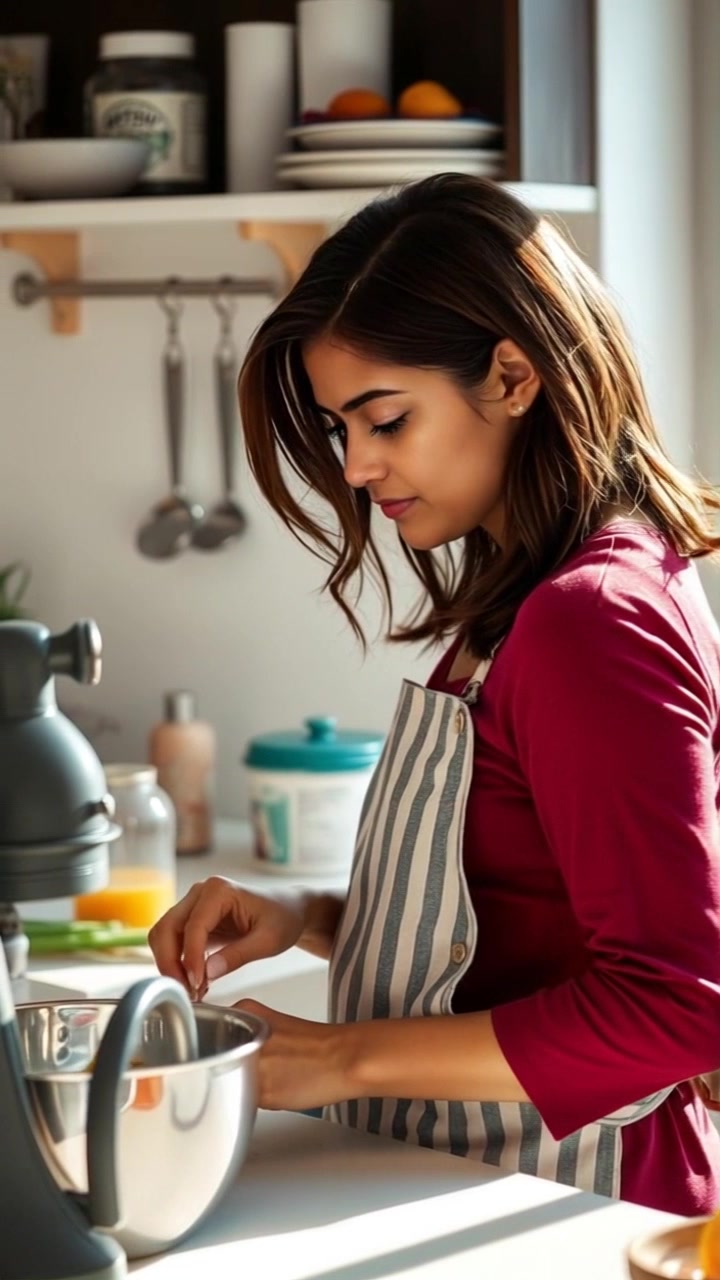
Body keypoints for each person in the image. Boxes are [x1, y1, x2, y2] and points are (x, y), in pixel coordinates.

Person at [148, 173, 720, 1215]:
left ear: (512, 374)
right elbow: (518, 919)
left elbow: (676, 1004)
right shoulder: (525, 597)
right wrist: (310, 915)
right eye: (338, 430)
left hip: (571, 1200)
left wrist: (336, 1059)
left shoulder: (592, 617)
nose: (358, 465)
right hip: (468, 1174)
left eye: (386, 418)